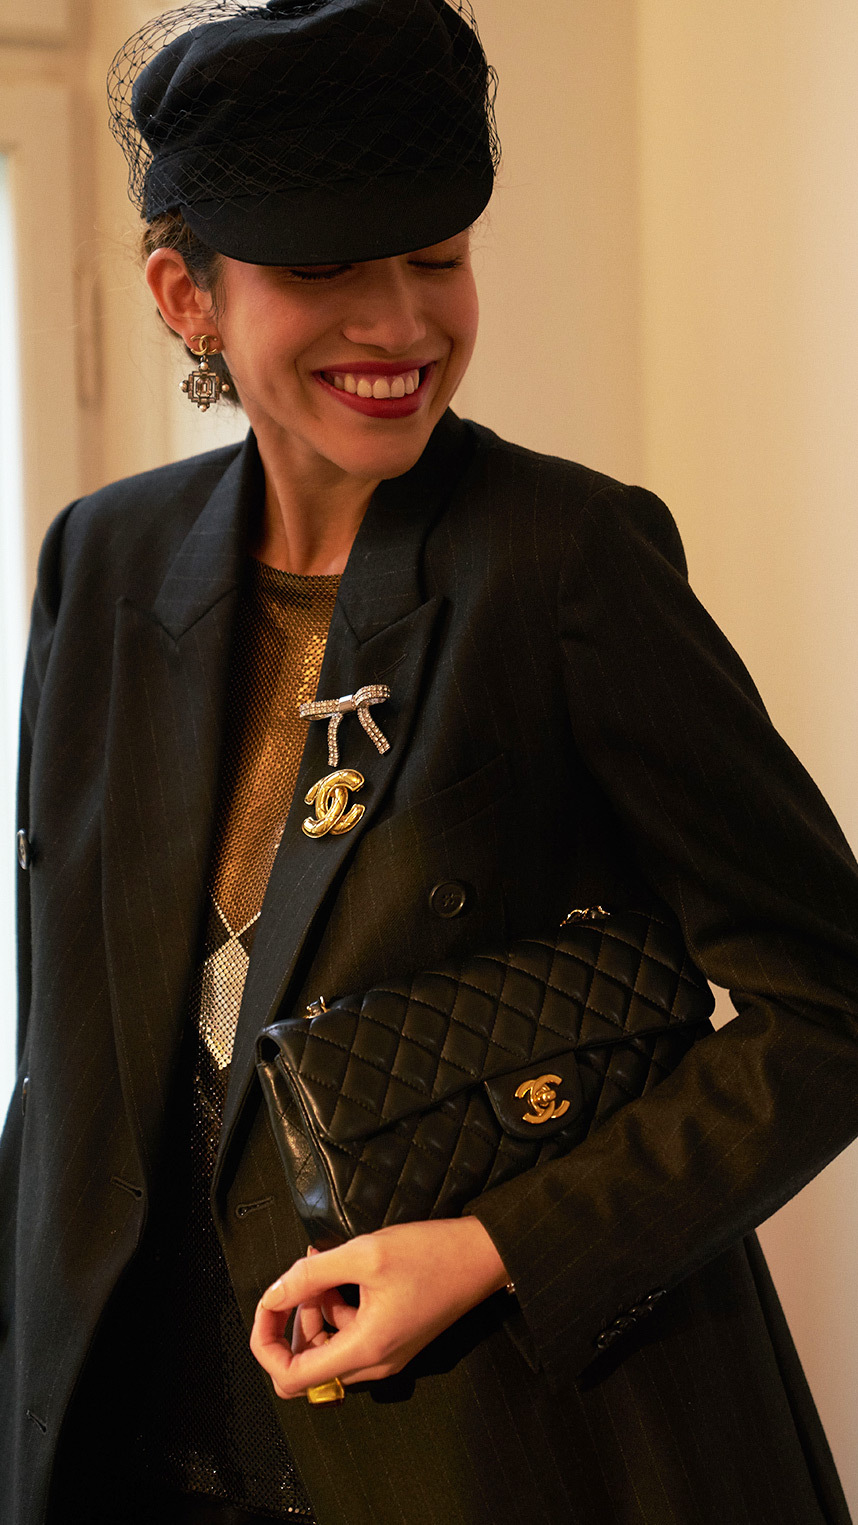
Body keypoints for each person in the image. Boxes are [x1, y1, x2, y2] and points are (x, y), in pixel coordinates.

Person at [2, 1, 858, 1522]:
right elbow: (68, 1069)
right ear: (181, 293)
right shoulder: (101, 566)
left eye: (436, 257)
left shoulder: (567, 560)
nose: (400, 325)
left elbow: (829, 1006)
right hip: (149, 1453)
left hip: (512, 1449)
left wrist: (499, 1245)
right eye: (324, 268)